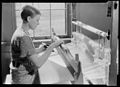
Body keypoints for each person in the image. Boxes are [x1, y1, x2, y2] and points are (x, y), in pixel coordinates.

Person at [9, 5, 63, 84]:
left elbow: (24, 53)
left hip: (18, 76)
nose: (38, 23)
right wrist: (52, 46)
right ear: (29, 19)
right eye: (37, 20)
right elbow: (38, 63)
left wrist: (40, 49)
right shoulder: (24, 37)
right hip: (24, 79)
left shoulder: (19, 32)